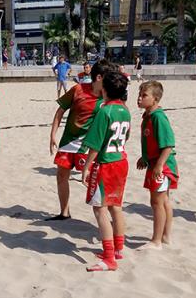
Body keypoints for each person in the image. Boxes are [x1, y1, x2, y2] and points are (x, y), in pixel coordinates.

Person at [48, 59, 117, 221]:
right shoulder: (78, 89)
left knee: (99, 180)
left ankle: (113, 217)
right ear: (99, 78)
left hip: (89, 147)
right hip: (68, 143)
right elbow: (60, 110)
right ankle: (64, 212)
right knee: (61, 176)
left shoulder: (109, 97)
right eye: (108, 77)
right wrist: (52, 134)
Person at [81, 71, 131, 272]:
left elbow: (95, 144)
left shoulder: (105, 111)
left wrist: (86, 168)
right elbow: (126, 136)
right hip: (121, 160)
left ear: (104, 89)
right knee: (115, 205)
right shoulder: (125, 110)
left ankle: (110, 258)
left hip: (106, 163)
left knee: (99, 209)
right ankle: (119, 247)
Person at [137, 80, 179, 249]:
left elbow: (168, 144)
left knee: (157, 202)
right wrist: (145, 157)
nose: (139, 98)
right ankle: (166, 236)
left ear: (155, 99)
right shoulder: (148, 115)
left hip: (163, 165)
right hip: (155, 162)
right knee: (164, 201)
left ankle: (156, 241)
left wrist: (159, 165)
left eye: (144, 95)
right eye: (139, 95)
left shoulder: (158, 117)